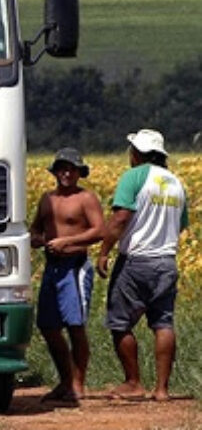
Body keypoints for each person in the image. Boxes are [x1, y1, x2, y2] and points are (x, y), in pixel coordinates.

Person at [97, 129, 190, 401]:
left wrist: (104, 252)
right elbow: (181, 225)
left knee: (120, 322)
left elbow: (121, 217)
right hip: (166, 261)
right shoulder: (176, 182)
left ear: (136, 153)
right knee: (163, 323)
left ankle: (133, 382)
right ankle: (162, 389)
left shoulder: (134, 176)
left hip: (136, 260)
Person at [29, 147, 104, 402]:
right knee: (48, 326)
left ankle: (78, 382)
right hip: (52, 267)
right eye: (62, 168)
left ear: (79, 173)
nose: (66, 173)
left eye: (71, 168)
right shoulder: (46, 198)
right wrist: (38, 239)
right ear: (55, 171)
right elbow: (35, 228)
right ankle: (65, 379)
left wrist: (67, 241)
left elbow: (99, 231)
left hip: (75, 265)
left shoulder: (86, 198)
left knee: (75, 325)